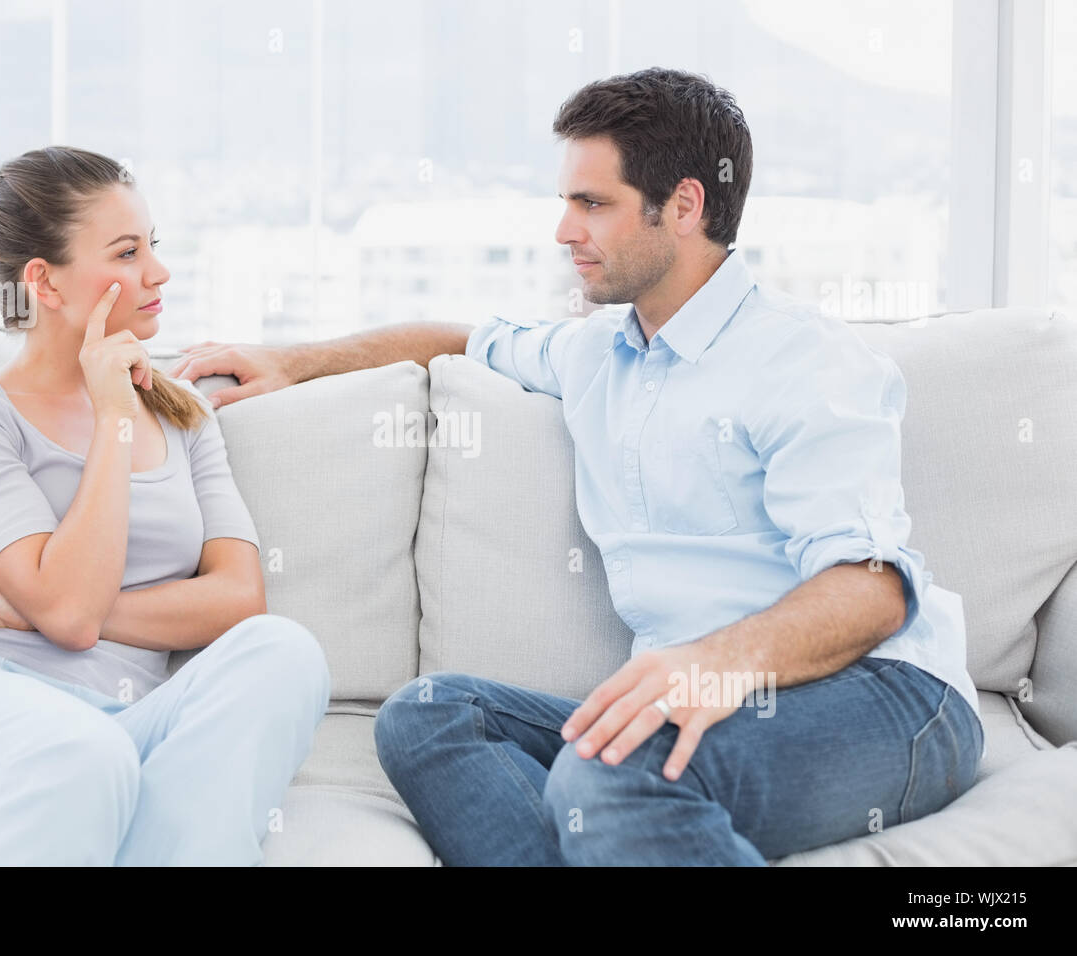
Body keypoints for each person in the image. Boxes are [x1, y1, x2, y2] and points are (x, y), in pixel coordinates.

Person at [167, 68, 983, 866]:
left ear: (686, 205)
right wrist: (293, 363)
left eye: (593, 204)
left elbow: (870, 586)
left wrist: (710, 664)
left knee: (609, 773)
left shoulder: (805, 361)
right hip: (684, 707)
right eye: (566, 202)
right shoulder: (598, 354)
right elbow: (460, 339)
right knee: (430, 714)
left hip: (883, 695)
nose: (564, 231)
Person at [0, 146, 330, 866]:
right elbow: (69, 615)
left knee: (285, 651)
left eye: (153, 248)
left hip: (117, 719)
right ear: (43, 281)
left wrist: (24, 602)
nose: (158, 273)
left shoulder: (185, 411)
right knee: (80, 755)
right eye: (128, 252)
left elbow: (237, 598)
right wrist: (112, 417)